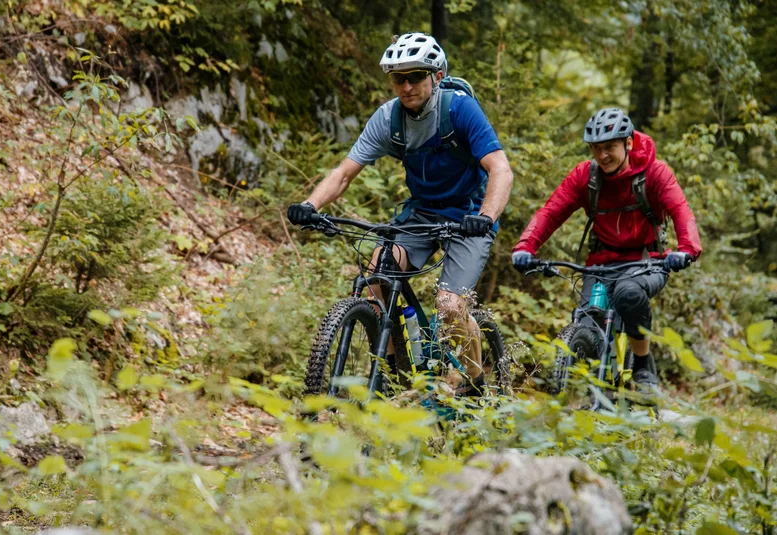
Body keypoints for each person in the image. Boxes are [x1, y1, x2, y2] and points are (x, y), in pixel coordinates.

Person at [287, 32, 513, 396]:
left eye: (415, 76)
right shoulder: (388, 118)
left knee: (450, 305)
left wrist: (485, 217)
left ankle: (473, 380)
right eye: (398, 78)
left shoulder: (459, 109)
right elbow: (344, 173)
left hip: (469, 216)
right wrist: (311, 205)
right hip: (422, 214)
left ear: (436, 76)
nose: (406, 86)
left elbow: (500, 169)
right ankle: (393, 376)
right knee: (378, 274)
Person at [511, 107, 702, 392]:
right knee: (587, 323)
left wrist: (687, 249)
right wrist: (525, 247)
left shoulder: (655, 173)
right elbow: (551, 212)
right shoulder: (585, 176)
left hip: (645, 261)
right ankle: (594, 393)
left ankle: (642, 363)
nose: (602, 156)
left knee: (629, 294)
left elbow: (680, 210)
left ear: (628, 143)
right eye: (596, 149)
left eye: (609, 147)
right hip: (600, 263)